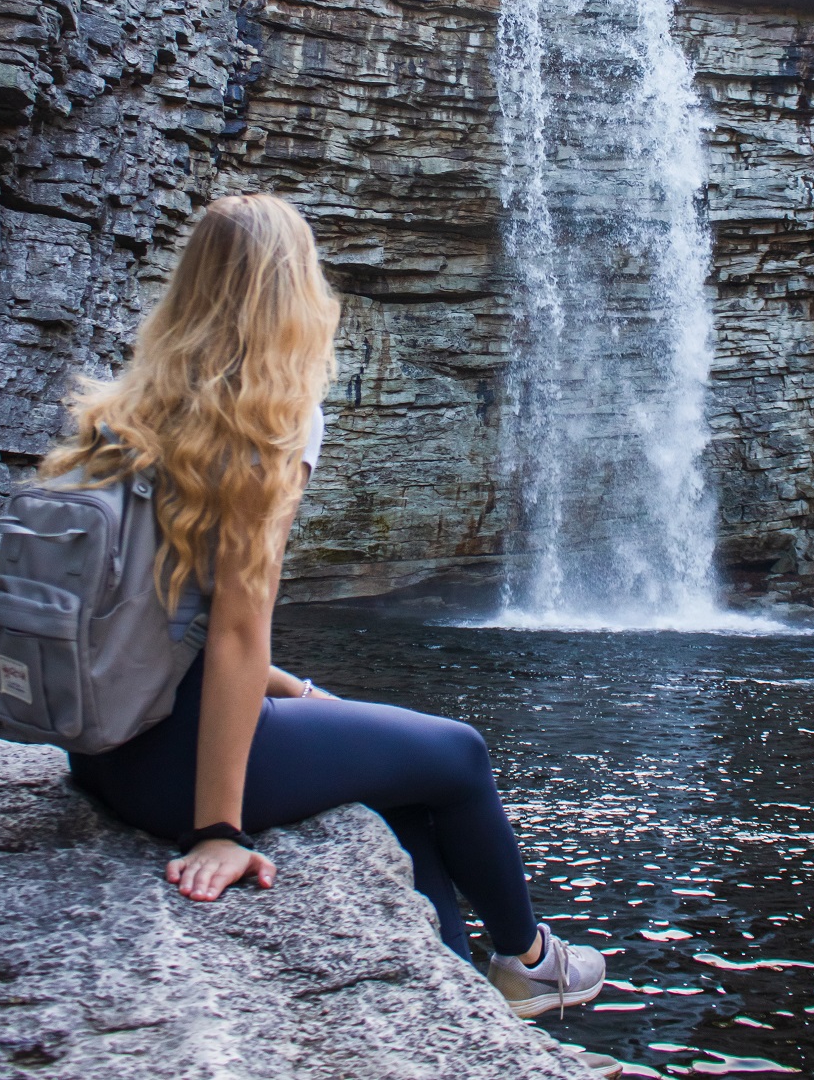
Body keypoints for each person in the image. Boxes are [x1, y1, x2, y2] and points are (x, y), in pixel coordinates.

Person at [46, 194, 604, 1018]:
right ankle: (529, 957)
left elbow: (160, 624)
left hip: (99, 751)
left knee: (402, 786)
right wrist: (219, 832)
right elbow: (236, 628)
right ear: (293, 289)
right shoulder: (269, 420)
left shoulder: (123, 411)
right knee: (458, 755)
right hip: (173, 774)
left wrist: (298, 691)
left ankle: (458, 997)